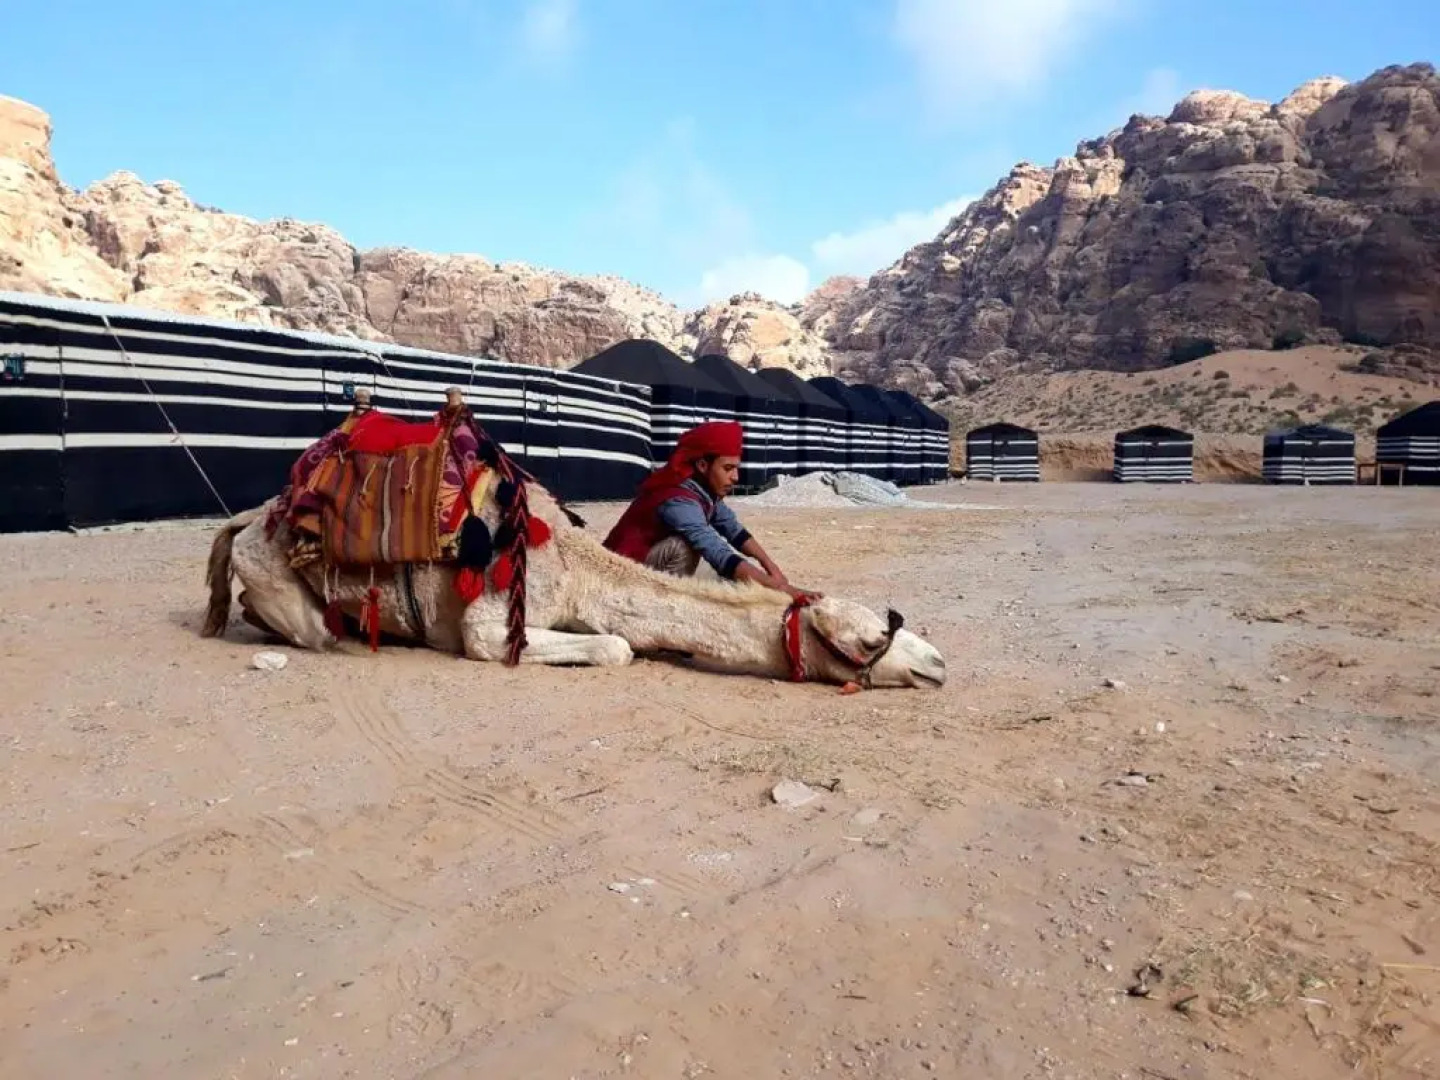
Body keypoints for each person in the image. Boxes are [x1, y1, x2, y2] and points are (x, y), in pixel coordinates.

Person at [603, 420, 821, 602]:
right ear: (703, 466)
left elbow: (733, 530)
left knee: (731, 582)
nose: (735, 477)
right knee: (685, 548)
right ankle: (658, 608)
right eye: (728, 469)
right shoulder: (677, 499)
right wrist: (783, 590)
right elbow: (715, 549)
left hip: (652, 563)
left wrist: (772, 568)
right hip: (623, 575)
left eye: (736, 468)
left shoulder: (704, 491)